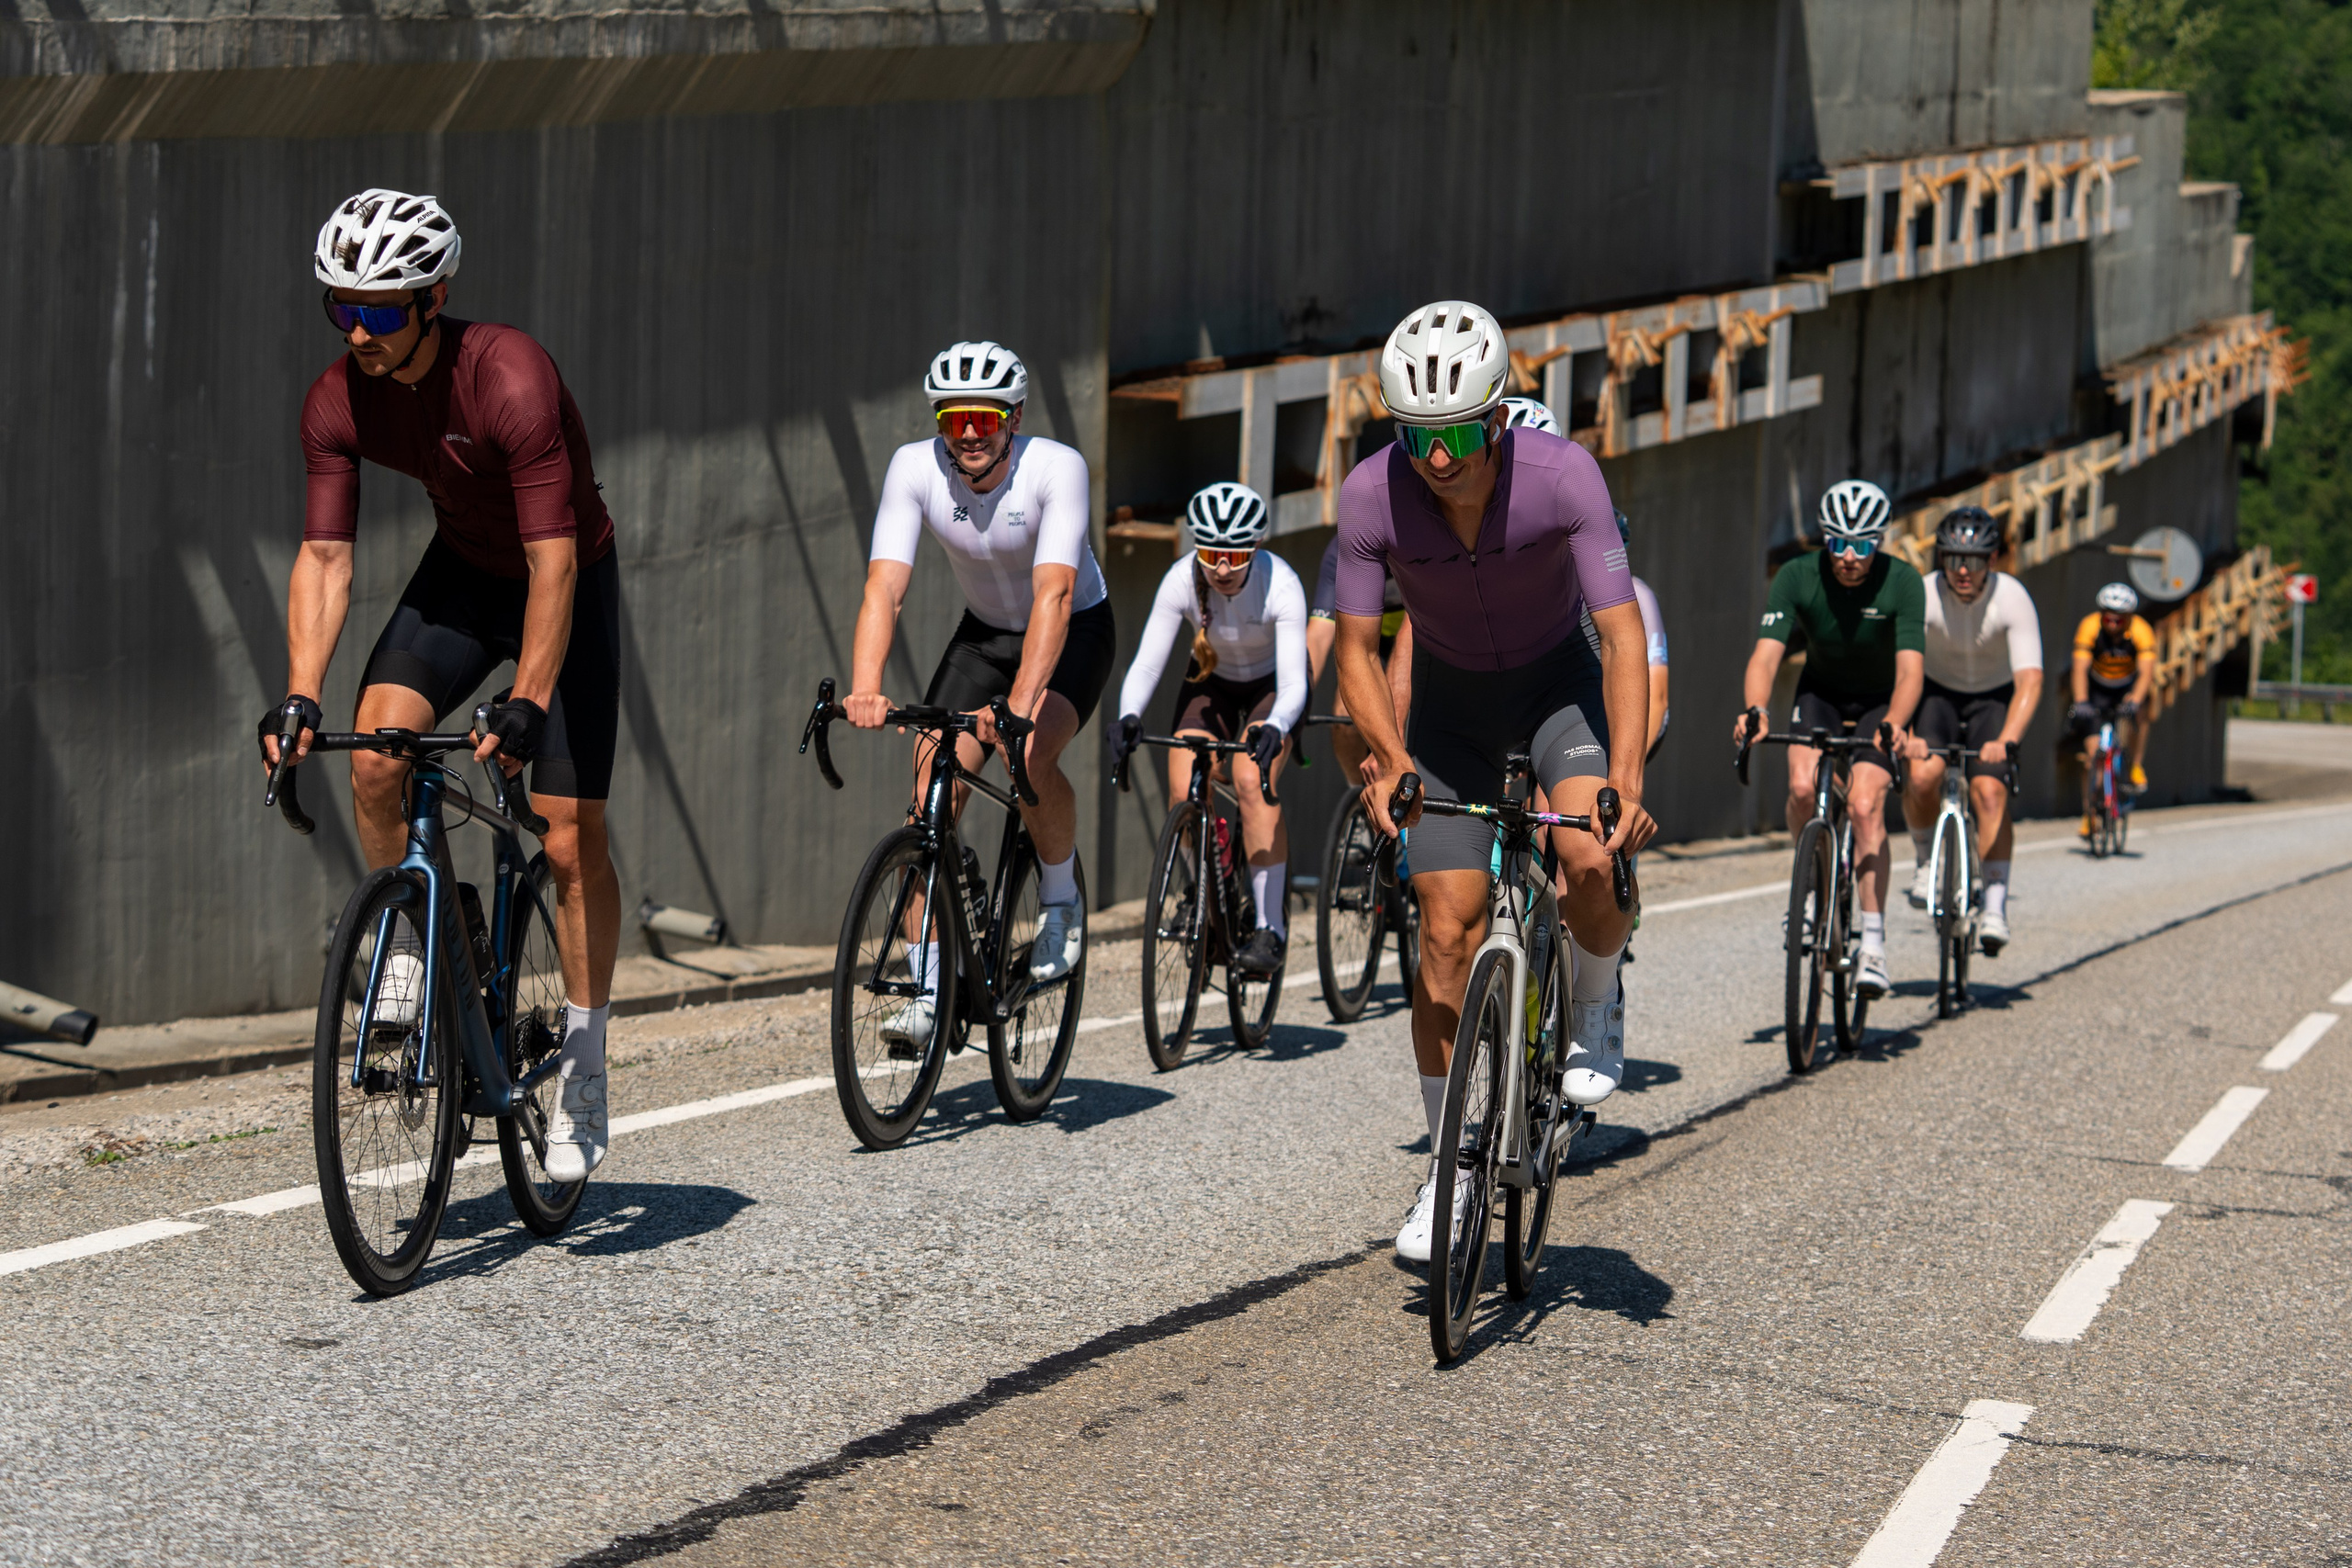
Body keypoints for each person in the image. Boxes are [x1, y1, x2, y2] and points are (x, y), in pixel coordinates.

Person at [263, 189, 624, 1181]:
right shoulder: (339, 398)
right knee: (378, 757)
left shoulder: (509, 375)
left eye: (380, 310)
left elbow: (553, 566)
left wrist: (528, 702)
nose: (358, 330)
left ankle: (585, 1065)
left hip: (565, 578)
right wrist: (301, 693)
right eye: (341, 307)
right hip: (464, 578)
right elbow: (325, 558)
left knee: (564, 831)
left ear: (436, 298)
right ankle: (419, 946)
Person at [1334, 301, 1658, 1265]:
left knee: (1588, 862)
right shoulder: (1366, 497)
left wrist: (1626, 779)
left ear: (1501, 416)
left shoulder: (1564, 476)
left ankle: (1595, 999)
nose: (1440, 460)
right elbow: (1355, 648)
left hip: (1557, 688)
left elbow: (1624, 631)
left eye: (1462, 434)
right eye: (1418, 437)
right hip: (1447, 707)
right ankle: (1447, 1172)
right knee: (1443, 929)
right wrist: (1389, 759)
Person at [848, 342, 1114, 1044]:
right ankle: (929, 992)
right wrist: (867, 687)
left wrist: (1021, 707)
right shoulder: (914, 467)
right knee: (929, 793)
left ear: (1014, 418)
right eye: (955, 418)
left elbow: (1054, 595)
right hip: (984, 636)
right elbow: (886, 586)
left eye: (985, 419)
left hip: (1073, 630)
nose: (969, 433)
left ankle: (1059, 902)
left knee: (1029, 759)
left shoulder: (1057, 469)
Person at [1733, 479, 1925, 1000]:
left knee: (1865, 807)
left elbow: (1910, 671)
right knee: (1800, 789)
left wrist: (1898, 722)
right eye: (1835, 542)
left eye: (1860, 545)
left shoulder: (1903, 582)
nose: (1846, 556)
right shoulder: (1798, 574)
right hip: (1820, 693)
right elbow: (1767, 655)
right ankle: (1814, 883)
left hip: (1881, 702)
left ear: (1878, 543)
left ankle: (1875, 945)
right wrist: (1757, 709)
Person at [1112, 483, 1309, 975]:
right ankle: (1202, 890)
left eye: (1236, 556)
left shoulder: (1281, 584)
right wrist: (1129, 714)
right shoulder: (1181, 579)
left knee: (1249, 780)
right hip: (1212, 680)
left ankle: (1269, 926)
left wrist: (1278, 726)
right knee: (1184, 786)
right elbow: (1148, 666)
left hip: (1272, 687)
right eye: (1211, 553)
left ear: (1255, 548)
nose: (1222, 568)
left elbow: (1292, 683)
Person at [1902, 506, 2041, 955]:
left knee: (1989, 791)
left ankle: (1995, 905)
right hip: (1937, 693)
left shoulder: (2013, 597)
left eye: (1976, 560)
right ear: (1940, 558)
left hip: (1993, 698)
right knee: (1922, 775)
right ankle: (1926, 862)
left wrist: (2008, 739)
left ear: (1993, 561)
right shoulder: (1921, 594)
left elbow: (2030, 680)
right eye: (1953, 558)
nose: (1964, 570)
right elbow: (1903, 670)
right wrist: (1905, 728)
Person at [1306, 534, 1412, 784]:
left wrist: (1390, 746)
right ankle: (1359, 796)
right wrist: (1290, 706)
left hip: (1420, 638)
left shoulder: (1418, 542)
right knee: (1346, 715)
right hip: (1375, 641)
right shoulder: (1343, 550)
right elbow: (1318, 638)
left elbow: (1411, 639)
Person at [2071, 581, 2158, 826]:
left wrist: (2136, 700)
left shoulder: (2141, 631)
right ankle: (2090, 814)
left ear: (2128, 618)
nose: (2112, 625)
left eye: (2118, 621)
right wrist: (2081, 701)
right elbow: (2079, 669)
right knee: (2092, 757)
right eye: (2107, 619)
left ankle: (2136, 766)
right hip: (2097, 688)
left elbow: (2146, 673)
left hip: (2126, 688)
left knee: (2141, 711)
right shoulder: (2089, 626)